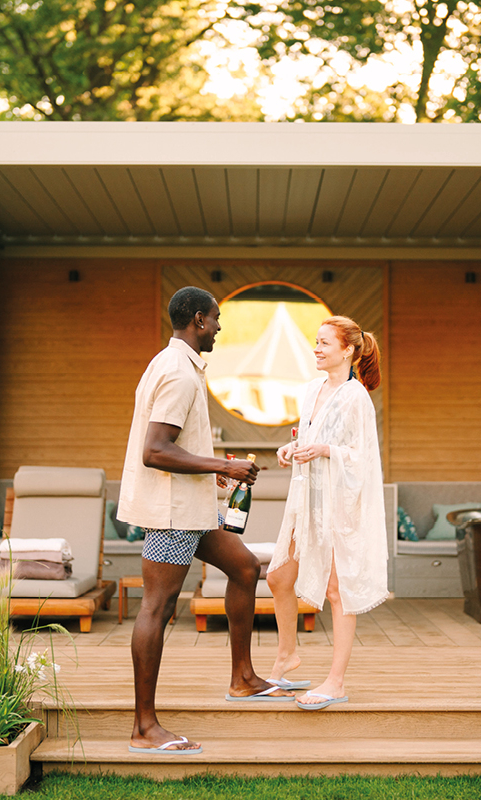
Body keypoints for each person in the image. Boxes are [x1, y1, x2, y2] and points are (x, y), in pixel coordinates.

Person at [118, 286, 294, 756]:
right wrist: (224, 467)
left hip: (192, 509)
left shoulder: (175, 364)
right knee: (158, 606)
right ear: (198, 320)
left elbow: (174, 445)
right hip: (172, 516)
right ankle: (144, 727)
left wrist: (216, 469)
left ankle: (242, 678)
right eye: (216, 319)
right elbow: (155, 450)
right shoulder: (177, 372)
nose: (219, 327)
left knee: (244, 567)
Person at [266, 315, 389, 709]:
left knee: (338, 591)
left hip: (340, 506)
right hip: (306, 500)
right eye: (315, 342)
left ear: (348, 350)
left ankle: (335, 681)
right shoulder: (313, 389)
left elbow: (364, 458)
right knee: (279, 577)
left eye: (324, 343)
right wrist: (292, 449)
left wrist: (324, 451)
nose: (316, 349)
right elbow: (308, 437)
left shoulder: (357, 398)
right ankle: (288, 654)